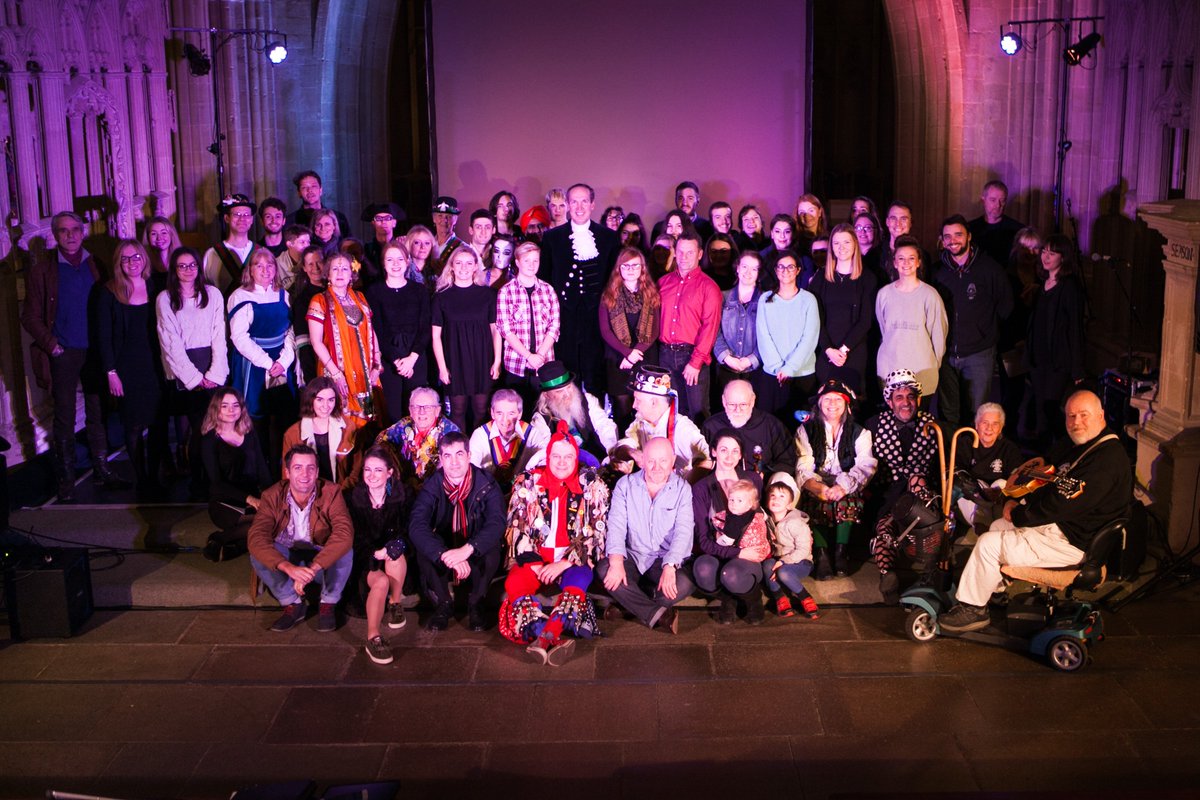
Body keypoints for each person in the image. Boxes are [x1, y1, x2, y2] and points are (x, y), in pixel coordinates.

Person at [938, 390, 1131, 632]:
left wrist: (1020, 513)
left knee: (988, 544)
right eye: (1071, 416)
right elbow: (1050, 476)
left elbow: (1061, 504)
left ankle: (972, 609)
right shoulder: (1084, 445)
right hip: (1063, 529)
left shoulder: (1107, 459)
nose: (1076, 422)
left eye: (1084, 415)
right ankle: (993, 590)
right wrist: (1020, 502)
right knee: (998, 527)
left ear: (1101, 415)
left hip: (1075, 543)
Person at [23, 212, 128, 500]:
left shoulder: (96, 265)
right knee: (65, 416)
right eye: (63, 231)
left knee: (97, 412)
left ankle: (102, 468)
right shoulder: (43, 272)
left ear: (83, 232)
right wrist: (51, 344)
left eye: (75, 230)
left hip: (94, 351)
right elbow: (29, 316)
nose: (70, 235)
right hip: (64, 352)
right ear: (55, 236)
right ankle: (67, 478)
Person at [500, 422, 610, 665]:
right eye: (556, 456)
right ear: (547, 457)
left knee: (578, 581)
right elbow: (517, 526)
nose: (562, 462)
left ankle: (542, 639)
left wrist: (562, 564)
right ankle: (552, 637)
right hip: (536, 558)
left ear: (576, 458)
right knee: (515, 582)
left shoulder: (591, 487)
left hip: (570, 561)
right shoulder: (527, 483)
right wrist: (535, 563)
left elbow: (596, 535)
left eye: (568, 456)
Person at [248, 444, 355, 633]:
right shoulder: (271, 496)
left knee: (344, 548)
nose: (305, 474)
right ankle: (293, 603)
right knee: (258, 553)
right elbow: (257, 537)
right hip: (288, 555)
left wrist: (313, 568)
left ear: (317, 472)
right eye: (298, 468)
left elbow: (344, 532)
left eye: (310, 468)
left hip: (320, 557)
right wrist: (288, 568)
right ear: (287, 472)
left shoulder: (332, 492)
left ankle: (327, 603)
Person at [408, 432, 505, 632]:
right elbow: (416, 524)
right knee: (424, 547)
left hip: (473, 548)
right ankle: (443, 603)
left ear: (469, 456)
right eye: (447, 456)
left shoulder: (487, 483)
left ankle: (476, 602)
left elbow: (497, 522)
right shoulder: (433, 485)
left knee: (492, 545)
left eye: (459, 454)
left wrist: (467, 550)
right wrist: (444, 553)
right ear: (441, 459)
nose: (454, 462)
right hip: (446, 548)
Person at [598, 437, 696, 633]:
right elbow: (616, 525)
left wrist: (670, 566)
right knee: (605, 570)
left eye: (663, 461)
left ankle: (628, 605)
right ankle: (657, 614)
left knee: (685, 583)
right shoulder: (625, 485)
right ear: (642, 460)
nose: (657, 467)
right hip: (634, 556)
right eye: (651, 461)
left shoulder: (682, 489)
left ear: (673, 460)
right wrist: (616, 562)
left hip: (665, 559)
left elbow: (684, 531)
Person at [96, 239, 166, 496]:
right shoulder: (109, 292)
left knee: (158, 422)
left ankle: (155, 475)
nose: (132, 263)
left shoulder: (155, 286)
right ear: (118, 263)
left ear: (144, 259)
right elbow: (103, 337)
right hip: (126, 368)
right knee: (134, 425)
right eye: (125, 259)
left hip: (156, 366)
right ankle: (142, 478)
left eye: (136, 257)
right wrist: (111, 372)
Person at [156, 245, 227, 493]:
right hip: (185, 371)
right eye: (182, 266)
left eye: (192, 265)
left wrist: (214, 374)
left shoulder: (213, 295)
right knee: (197, 428)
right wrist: (194, 378)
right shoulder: (165, 299)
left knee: (214, 427)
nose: (188, 270)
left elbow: (219, 335)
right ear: (174, 270)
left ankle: (214, 479)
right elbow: (170, 342)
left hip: (210, 365)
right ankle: (198, 480)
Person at [865, 370, 940, 604]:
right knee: (884, 530)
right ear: (889, 401)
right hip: (887, 493)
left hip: (921, 494)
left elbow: (940, 465)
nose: (906, 403)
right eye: (899, 397)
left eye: (911, 397)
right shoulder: (875, 424)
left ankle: (930, 570)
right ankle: (888, 577)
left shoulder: (932, 425)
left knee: (918, 483)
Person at [538, 183, 620, 397]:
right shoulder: (552, 238)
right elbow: (544, 281)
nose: (579, 206)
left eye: (584, 201)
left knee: (596, 381)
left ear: (592, 205)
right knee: (567, 381)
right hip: (564, 321)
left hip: (598, 321)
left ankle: (597, 428)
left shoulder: (608, 238)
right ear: (567, 206)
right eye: (574, 201)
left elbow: (615, 281)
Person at [933, 214, 1013, 428]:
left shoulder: (990, 269)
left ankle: (973, 458)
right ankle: (950, 459)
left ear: (969, 236)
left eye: (958, 234)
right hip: (945, 354)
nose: (953, 240)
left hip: (979, 353)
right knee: (948, 412)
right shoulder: (936, 272)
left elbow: (1006, 307)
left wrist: (985, 333)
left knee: (977, 412)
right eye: (947, 236)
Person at [795, 379, 877, 579]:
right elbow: (804, 464)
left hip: (845, 481)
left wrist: (842, 486)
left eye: (838, 399)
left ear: (846, 403)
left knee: (846, 500)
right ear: (819, 403)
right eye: (827, 399)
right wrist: (817, 487)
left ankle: (841, 552)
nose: (832, 404)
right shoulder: (806, 430)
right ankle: (822, 554)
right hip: (817, 481)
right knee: (816, 501)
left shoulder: (860, 433)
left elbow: (866, 465)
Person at [227, 247, 297, 468]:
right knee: (257, 419)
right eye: (259, 265)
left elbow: (290, 331)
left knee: (282, 418)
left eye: (270, 265)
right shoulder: (240, 296)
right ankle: (260, 470)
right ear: (251, 270)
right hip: (254, 365)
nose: (265, 270)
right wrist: (268, 364)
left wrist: (283, 362)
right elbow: (238, 338)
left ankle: (280, 468)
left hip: (281, 363)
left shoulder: (283, 294)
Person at [344, 445, 410, 664]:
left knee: (395, 555)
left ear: (389, 472)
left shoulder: (403, 494)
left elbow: (409, 528)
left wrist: (394, 546)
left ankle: (395, 602)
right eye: (367, 470)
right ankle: (373, 637)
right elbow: (352, 536)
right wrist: (373, 554)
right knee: (380, 581)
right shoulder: (353, 498)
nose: (371, 476)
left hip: (392, 554)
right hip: (364, 557)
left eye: (378, 470)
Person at [1026, 233, 1088, 447]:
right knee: (1040, 406)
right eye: (1044, 251)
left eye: (1052, 253)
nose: (1046, 256)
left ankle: (1066, 447)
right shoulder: (1042, 282)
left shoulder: (1069, 286)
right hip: (1038, 358)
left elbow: (1075, 328)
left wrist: (1078, 368)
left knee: (1050, 406)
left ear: (1063, 257)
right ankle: (1043, 454)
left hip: (1058, 360)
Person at [307, 251, 382, 427]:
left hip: (365, 371)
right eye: (335, 269)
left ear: (351, 274)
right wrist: (336, 373)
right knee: (341, 423)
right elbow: (316, 342)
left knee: (369, 424)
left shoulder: (360, 298)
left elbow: (371, 331)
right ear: (327, 274)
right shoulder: (320, 300)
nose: (340, 273)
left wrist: (377, 365)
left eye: (344, 269)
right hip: (336, 370)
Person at [432, 247, 501, 432]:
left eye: (469, 263)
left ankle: (479, 453)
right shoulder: (441, 297)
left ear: (475, 267)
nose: (464, 267)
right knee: (457, 411)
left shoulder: (488, 295)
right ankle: (461, 451)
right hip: (455, 361)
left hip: (482, 359)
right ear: (452, 267)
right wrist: (442, 367)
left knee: (481, 410)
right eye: (459, 263)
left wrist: (497, 361)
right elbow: (436, 336)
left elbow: (495, 331)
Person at [198, 387, 272, 562]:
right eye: (225, 406)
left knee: (277, 520)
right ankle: (221, 539)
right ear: (216, 409)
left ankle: (234, 547)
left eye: (235, 405)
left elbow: (263, 470)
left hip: (253, 499)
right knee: (266, 524)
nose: (231, 410)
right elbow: (216, 483)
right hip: (225, 502)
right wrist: (251, 499)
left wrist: (272, 496)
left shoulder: (249, 433)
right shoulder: (209, 440)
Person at [658, 232, 723, 418]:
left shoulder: (709, 287)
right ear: (675, 253)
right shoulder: (663, 283)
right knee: (671, 410)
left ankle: (701, 448)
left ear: (700, 254)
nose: (684, 257)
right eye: (681, 252)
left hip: (692, 356)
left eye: (690, 252)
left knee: (697, 411)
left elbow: (710, 328)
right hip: (665, 355)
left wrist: (695, 363)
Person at [875, 235, 947, 404]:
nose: (906, 263)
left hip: (922, 370)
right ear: (894, 262)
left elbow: (938, 335)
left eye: (911, 258)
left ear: (918, 262)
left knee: (920, 422)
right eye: (901, 258)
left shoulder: (930, 295)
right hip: (890, 368)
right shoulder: (884, 294)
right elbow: (884, 329)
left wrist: (933, 365)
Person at [808, 223, 878, 394]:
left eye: (846, 242)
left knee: (851, 404)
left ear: (855, 244)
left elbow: (865, 320)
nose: (842, 247)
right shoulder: (820, 278)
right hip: (826, 353)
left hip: (853, 353)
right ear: (831, 247)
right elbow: (814, 319)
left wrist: (843, 350)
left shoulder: (867, 278)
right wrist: (828, 349)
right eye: (837, 243)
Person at [365, 239, 430, 424]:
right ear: (383, 263)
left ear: (407, 261)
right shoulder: (374, 291)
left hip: (415, 358)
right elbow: (377, 330)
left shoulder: (419, 290)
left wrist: (411, 359)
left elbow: (425, 328)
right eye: (390, 260)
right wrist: (397, 361)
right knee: (392, 415)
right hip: (389, 359)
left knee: (416, 414)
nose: (395, 264)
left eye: (400, 259)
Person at [599, 246, 661, 429]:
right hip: (619, 360)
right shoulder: (609, 295)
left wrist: (636, 353)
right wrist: (627, 354)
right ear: (619, 269)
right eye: (626, 266)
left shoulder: (650, 293)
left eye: (635, 265)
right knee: (623, 411)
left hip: (645, 358)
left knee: (647, 412)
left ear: (642, 268)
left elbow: (655, 330)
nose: (631, 270)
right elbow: (605, 331)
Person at [694, 479, 770, 624]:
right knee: (703, 567)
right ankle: (728, 599)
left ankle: (754, 601)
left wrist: (727, 546)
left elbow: (756, 548)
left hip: (747, 564)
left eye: (739, 500)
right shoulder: (722, 517)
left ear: (750, 504)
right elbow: (711, 541)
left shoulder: (755, 521)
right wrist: (726, 545)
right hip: (726, 558)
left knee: (731, 573)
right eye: (731, 499)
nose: (734, 503)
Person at [755, 249, 820, 418]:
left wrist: (790, 368)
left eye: (790, 267)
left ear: (798, 270)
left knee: (801, 427)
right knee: (773, 425)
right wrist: (778, 368)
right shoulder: (765, 299)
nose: (785, 271)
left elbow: (810, 337)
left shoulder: (809, 299)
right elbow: (763, 335)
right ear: (775, 270)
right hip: (773, 374)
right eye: (781, 267)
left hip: (802, 374)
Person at [614, 365, 710, 478]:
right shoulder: (640, 422)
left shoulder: (682, 427)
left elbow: (707, 461)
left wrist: (685, 488)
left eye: (638, 400)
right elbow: (620, 449)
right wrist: (633, 453)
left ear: (654, 403)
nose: (634, 405)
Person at [496, 241, 560, 409]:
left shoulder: (548, 290)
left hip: (543, 364)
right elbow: (506, 330)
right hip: (516, 366)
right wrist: (528, 356)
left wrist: (539, 356)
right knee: (518, 413)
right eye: (527, 260)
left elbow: (554, 326)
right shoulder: (506, 292)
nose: (532, 265)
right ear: (517, 262)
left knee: (544, 413)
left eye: (535, 260)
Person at [528, 361, 619, 469]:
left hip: (596, 460)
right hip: (563, 467)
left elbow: (604, 425)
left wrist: (612, 451)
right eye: (559, 391)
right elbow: (543, 450)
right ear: (546, 395)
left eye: (569, 387)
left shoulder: (587, 400)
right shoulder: (541, 418)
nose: (567, 394)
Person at [700, 379, 794, 477]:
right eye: (732, 405)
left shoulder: (771, 425)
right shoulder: (710, 426)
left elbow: (787, 461)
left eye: (743, 404)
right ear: (724, 401)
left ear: (753, 400)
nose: (738, 410)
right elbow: (701, 461)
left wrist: (764, 475)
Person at [954, 402, 1023, 532]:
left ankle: (998, 529)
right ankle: (984, 530)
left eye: (995, 424)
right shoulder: (965, 443)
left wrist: (997, 492)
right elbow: (957, 472)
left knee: (1001, 483)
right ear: (976, 425)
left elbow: (1016, 478)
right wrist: (979, 490)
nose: (989, 428)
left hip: (998, 502)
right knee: (966, 486)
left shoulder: (1009, 448)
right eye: (985, 422)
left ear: (1001, 427)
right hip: (974, 499)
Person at [761, 473, 820, 619]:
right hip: (780, 559)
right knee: (768, 564)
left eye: (782, 496)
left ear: (789, 504)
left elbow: (803, 549)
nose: (776, 499)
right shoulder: (767, 520)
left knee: (783, 572)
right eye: (772, 496)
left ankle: (805, 597)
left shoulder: (795, 522)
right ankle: (780, 598)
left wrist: (783, 562)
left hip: (801, 562)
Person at [281, 376, 359, 485]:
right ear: (310, 399)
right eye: (320, 399)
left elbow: (357, 470)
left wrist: (339, 494)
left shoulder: (349, 427)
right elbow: (287, 476)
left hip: (342, 493)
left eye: (331, 400)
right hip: (307, 496)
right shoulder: (292, 434)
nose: (325, 406)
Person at [377, 386, 461, 485]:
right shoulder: (403, 425)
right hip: (406, 486)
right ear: (410, 410)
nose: (422, 412)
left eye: (428, 407)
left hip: (437, 488)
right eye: (416, 407)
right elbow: (381, 440)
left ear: (437, 410)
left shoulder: (450, 432)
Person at [712, 251, 768, 399]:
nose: (748, 272)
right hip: (726, 368)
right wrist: (726, 357)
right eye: (744, 266)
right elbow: (714, 331)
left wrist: (752, 359)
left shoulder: (767, 300)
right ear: (737, 268)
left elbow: (770, 336)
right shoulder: (722, 297)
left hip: (755, 370)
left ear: (759, 273)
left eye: (754, 269)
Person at [468, 388, 547, 490]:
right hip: (487, 491)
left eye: (511, 413)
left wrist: (529, 472)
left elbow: (545, 458)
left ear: (520, 414)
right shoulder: (480, 434)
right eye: (499, 413)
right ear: (492, 413)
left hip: (521, 493)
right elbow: (471, 469)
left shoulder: (532, 433)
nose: (505, 420)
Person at [967, 180, 1025, 267]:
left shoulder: (1018, 230)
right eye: (993, 200)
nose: (998, 205)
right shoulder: (970, 228)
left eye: (1002, 200)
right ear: (983, 200)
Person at [290, 245, 326, 384]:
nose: (316, 267)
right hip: (317, 363)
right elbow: (303, 344)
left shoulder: (336, 290)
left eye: (319, 262)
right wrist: (312, 378)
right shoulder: (302, 301)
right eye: (310, 264)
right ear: (304, 268)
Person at [286, 170, 351, 234]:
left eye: (314, 186)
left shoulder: (338, 218)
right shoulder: (290, 221)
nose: (310, 190)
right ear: (299, 193)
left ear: (320, 190)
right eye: (304, 187)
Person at [361, 202, 405, 275]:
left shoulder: (402, 246)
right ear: (373, 223)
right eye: (378, 219)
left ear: (394, 223)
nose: (383, 222)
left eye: (388, 218)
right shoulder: (366, 250)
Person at [141, 215, 182, 291]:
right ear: (147, 237)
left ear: (171, 235)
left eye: (164, 233)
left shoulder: (182, 260)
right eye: (153, 234)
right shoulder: (143, 263)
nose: (159, 238)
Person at [275, 225, 312, 290]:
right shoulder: (277, 264)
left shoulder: (313, 261)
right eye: (302, 242)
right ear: (289, 244)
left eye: (308, 242)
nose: (307, 246)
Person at [431, 196, 464, 261]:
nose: (444, 220)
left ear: (455, 220)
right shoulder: (427, 245)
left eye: (449, 216)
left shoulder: (462, 247)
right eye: (440, 215)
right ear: (434, 218)